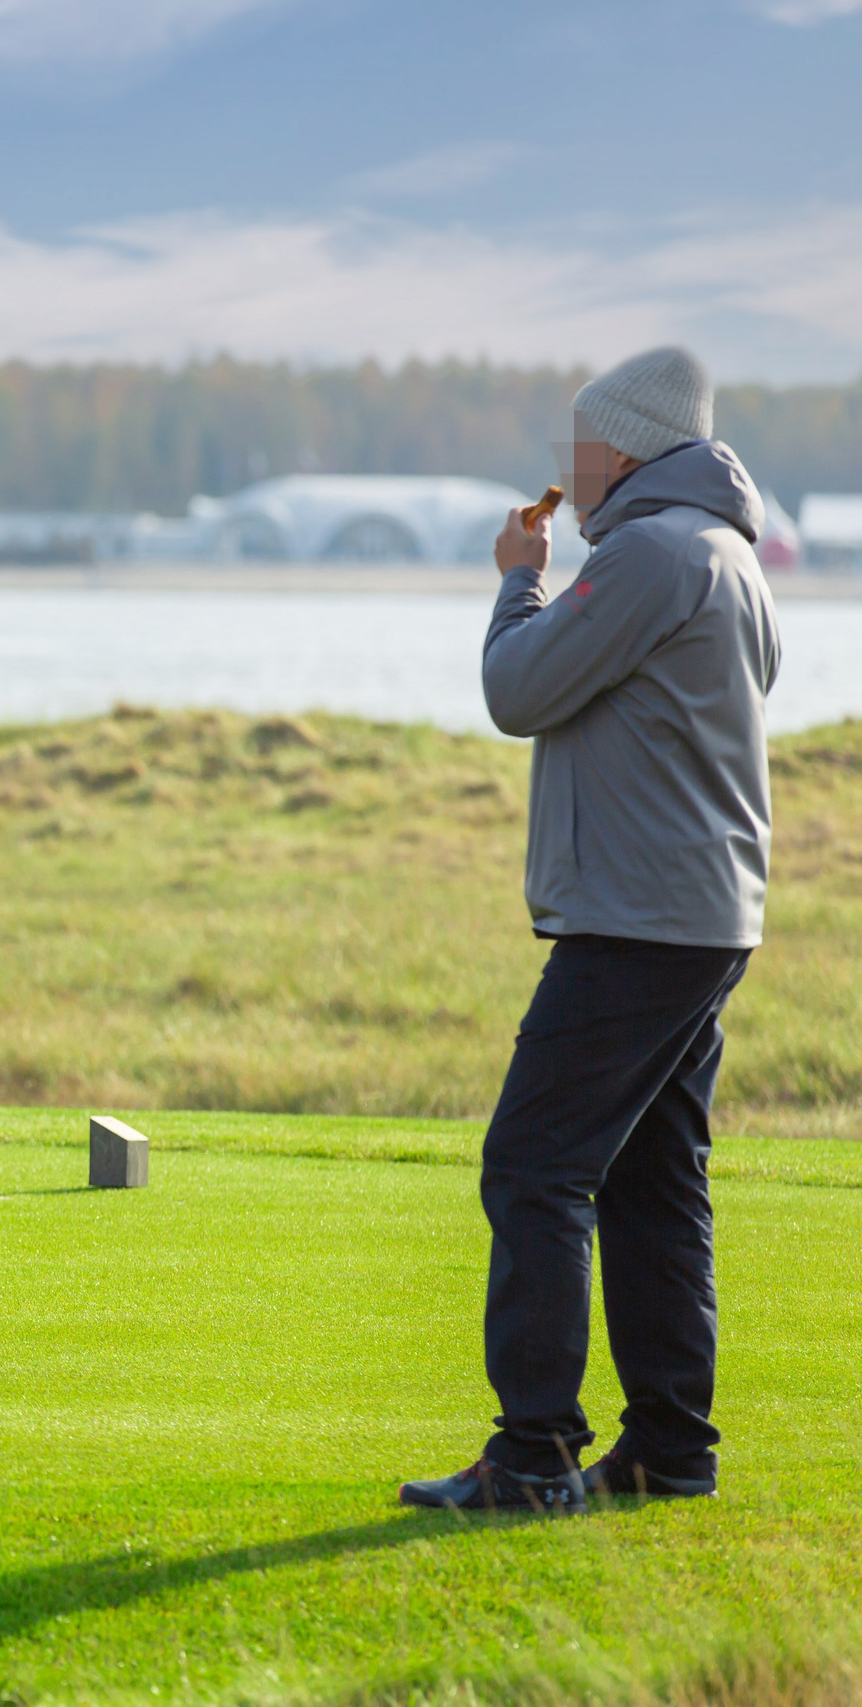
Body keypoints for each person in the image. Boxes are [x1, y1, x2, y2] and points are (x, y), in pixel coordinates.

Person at [402, 346, 780, 1512]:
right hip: (704, 915)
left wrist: (519, 579)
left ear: (619, 448)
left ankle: (531, 1454)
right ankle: (670, 1450)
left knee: (533, 1168)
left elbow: (516, 692)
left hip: (636, 918)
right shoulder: (726, 555)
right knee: (654, 1183)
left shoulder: (648, 556)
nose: (568, 465)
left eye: (579, 442)